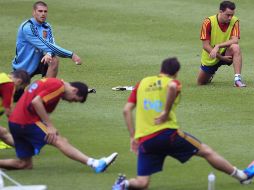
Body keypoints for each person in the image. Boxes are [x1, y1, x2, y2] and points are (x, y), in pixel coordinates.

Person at [112, 57, 254, 190]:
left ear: (161, 69)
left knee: (142, 182)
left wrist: (133, 137)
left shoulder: (142, 83)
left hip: (145, 140)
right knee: (207, 152)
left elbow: (126, 110)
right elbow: (173, 87)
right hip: (167, 134)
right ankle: (242, 176)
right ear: (176, 73)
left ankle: (124, 184)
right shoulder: (173, 82)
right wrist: (166, 113)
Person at [0, 77, 118, 172]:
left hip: (16, 122)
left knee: (24, 164)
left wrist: (50, 128)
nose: (71, 102)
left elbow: (42, 108)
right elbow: (36, 102)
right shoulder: (58, 86)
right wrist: (50, 127)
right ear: (74, 90)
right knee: (59, 141)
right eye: (74, 99)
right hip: (26, 122)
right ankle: (96, 164)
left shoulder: (53, 86)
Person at [12, 1, 82, 101]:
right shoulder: (28, 27)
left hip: (39, 62)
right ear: (34, 12)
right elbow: (46, 45)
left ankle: (44, 92)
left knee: (53, 60)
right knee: (16, 98)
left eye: (45, 11)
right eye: (40, 11)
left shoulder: (47, 26)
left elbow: (51, 43)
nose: (43, 14)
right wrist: (71, 55)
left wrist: (49, 54)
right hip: (24, 67)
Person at [197, 1, 246, 87]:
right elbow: (205, 46)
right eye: (228, 15)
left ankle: (237, 80)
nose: (230, 18)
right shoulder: (208, 22)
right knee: (201, 83)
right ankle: (210, 75)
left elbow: (235, 40)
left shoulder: (235, 21)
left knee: (236, 47)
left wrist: (218, 46)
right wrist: (221, 57)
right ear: (220, 12)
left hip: (226, 52)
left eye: (232, 15)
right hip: (211, 55)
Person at [0, 70, 31, 149]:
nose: (18, 90)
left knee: (2, 133)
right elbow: (8, 110)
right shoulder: (9, 85)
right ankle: (27, 148)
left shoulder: (2, 77)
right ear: (19, 81)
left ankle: (26, 148)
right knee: (3, 133)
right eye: (21, 87)